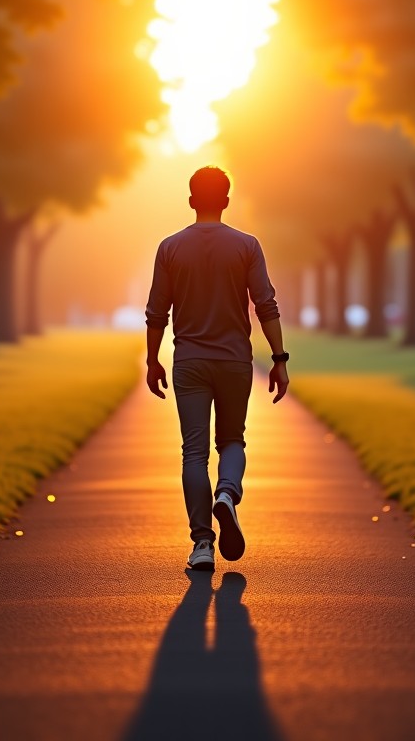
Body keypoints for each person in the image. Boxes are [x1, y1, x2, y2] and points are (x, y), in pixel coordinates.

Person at [145, 166, 289, 573]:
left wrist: (153, 358)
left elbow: (158, 311)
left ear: (191, 201)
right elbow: (266, 306)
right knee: (232, 441)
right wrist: (279, 360)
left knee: (193, 451)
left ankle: (203, 544)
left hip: (189, 361)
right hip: (234, 361)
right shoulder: (247, 245)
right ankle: (226, 494)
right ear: (226, 201)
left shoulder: (170, 248)